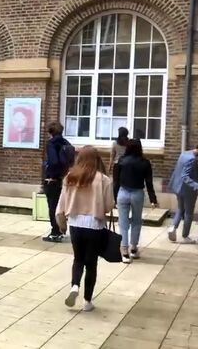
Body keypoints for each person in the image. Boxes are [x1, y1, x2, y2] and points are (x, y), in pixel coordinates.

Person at [56, 146, 114, 312]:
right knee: (91, 263)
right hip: (94, 224)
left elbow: (62, 204)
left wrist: (61, 223)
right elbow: (109, 205)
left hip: (75, 222)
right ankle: (87, 301)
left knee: (78, 259)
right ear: (96, 159)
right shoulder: (103, 179)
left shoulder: (70, 177)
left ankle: (74, 286)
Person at [114, 139, 158, 263]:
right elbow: (149, 183)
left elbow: (116, 182)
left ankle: (124, 251)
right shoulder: (145, 162)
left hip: (122, 192)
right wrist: (153, 199)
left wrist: (114, 197)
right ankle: (133, 248)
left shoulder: (121, 161)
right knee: (137, 221)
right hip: (137, 193)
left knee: (123, 222)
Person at [43, 121, 74, 243]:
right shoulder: (66, 142)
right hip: (63, 178)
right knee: (60, 206)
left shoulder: (51, 143)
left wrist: (51, 172)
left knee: (52, 206)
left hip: (53, 180)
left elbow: (54, 161)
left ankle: (55, 232)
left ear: (50, 132)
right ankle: (61, 229)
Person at [167, 145, 198, 244]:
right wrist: (196, 185)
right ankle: (185, 236)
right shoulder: (192, 159)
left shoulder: (184, 153)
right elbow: (185, 176)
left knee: (180, 208)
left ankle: (172, 227)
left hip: (177, 187)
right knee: (189, 213)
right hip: (188, 189)